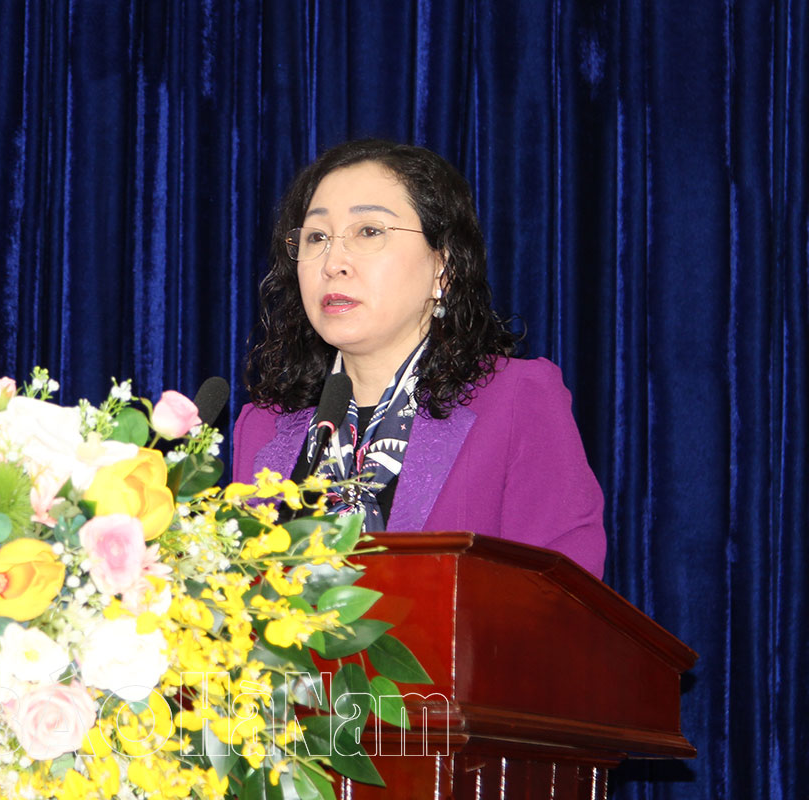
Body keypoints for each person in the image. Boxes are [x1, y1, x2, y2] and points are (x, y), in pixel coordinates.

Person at [233, 139, 606, 578]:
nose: (333, 262)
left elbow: (558, 593)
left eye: (368, 231)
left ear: (442, 268)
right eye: (317, 237)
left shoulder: (515, 400)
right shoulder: (262, 426)